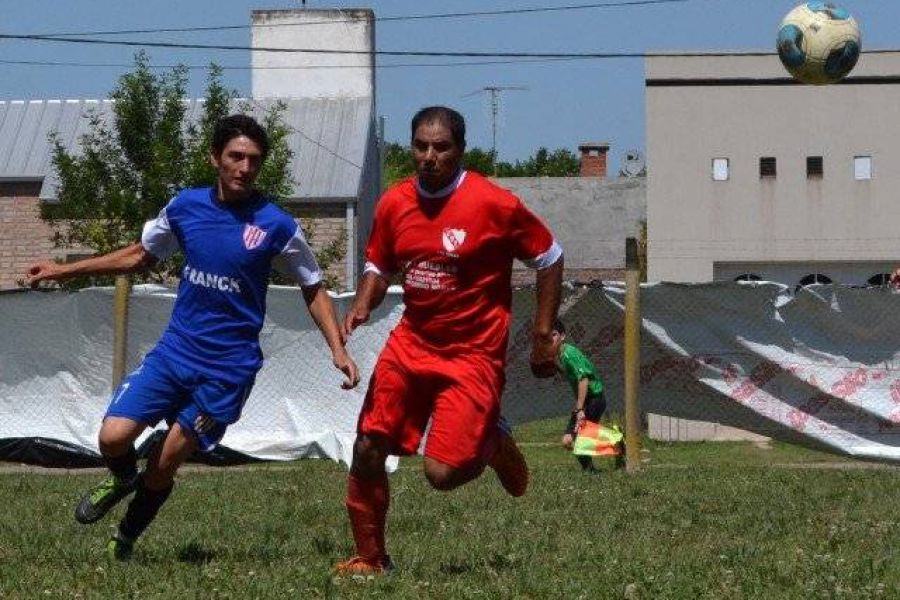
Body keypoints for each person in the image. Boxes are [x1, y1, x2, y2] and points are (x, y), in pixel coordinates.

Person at [24, 114, 360, 561]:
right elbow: (140, 255)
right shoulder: (186, 207)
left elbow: (313, 286)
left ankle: (123, 540)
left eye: (254, 160)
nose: (244, 167)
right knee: (112, 438)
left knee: (165, 462)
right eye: (235, 157)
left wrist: (337, 348)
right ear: (215, 159)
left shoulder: (276, 224)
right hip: (175, 352)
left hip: (227, 369)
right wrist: (63, 270)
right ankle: (123, 478)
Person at [335, 106, 564, 575]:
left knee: (441, 475)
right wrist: (363, 302)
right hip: (413, 342)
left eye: (441, 147)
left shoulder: (493, 203)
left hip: (473, 353)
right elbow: (379, 265)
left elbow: (550, 256)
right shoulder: (394, 203)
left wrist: (542, 334)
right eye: (420, 146)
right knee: (367, 446)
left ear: (460, 150)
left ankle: (494, 444)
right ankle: (371, 559)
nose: (429, 156)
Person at [552, 319, 618, 473]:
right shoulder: (561, 355)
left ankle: (616, 443)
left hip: (594, 400)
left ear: (562, 336)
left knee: (579, 439)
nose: (550, 339)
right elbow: (573, 377)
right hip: (587, 401)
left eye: (554, 334)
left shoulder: (568, 353)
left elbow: (584, 380)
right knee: (568, 441)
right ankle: (592, 467)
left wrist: (580, 408)